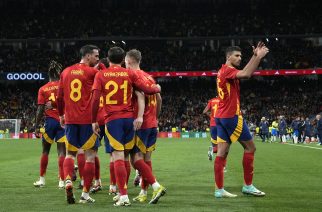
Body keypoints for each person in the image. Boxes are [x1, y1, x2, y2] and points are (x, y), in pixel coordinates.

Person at [91, 47, 163, 206]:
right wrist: (156, 88)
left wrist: (94, 121)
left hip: (113, 120)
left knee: (118, 157)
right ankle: (155, 185)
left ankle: (123, 196)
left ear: (108, 59)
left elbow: (95, 100)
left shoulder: (101, 75)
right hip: (129, 120)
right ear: (123, 59)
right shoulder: (129, 73)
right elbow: (146, 90)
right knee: (132, 157)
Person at [214, 42, 269, 198]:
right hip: (232, 116)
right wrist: (258, 57)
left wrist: (253, 56)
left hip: (221, 116)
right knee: (250, 148)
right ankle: (248, 186)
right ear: (228, 56)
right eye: (237, 56)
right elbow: (246, 74)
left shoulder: (221, 71)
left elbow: (243, 71)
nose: (239, 58)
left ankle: (219, 190)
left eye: (241, 56)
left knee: (222, 154)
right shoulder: (229, 70)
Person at [57, 44, 100, 204]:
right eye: (95, 56)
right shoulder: (93, 72)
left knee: (70, 154)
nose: (97, 59)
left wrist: (61, 115)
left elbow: (59, 97)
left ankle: (68, 180)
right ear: (87, 56)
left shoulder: (66, 71)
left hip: (70, 119)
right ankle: (85, 195)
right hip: (87, 121)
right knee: (90, 157)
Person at [124, 49, 165, 203]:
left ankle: (156, 186)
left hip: (140, 124)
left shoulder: (133, 76)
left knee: (135, 159)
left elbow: (140, 96)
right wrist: (155, 117)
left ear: (128, 61)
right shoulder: (149, 77)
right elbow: (159, 98)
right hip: (152, 123)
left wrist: (141, 116)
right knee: (147, 159)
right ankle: (143, 192)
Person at [33, 60, 66, 189]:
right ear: (59, 73)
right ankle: (62, 181)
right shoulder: (63, 86)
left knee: (45, 151)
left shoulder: (43, 89)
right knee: (62, 152)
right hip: (63, 121)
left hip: (50, 122)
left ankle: (42, 180)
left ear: (49, 74)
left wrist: (36, 125)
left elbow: (40, 109)